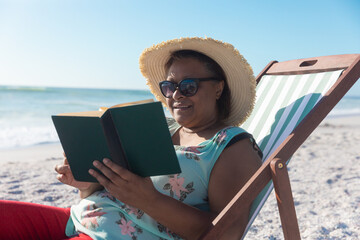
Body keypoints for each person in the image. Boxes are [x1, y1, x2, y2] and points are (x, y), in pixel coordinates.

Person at [0, 37, 262, 240]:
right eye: (170, 87)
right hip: (78, 219)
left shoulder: (231, 147)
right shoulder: (160, 127)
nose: (176, 96)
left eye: (189, 86)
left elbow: (226, 234)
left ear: (218, 88)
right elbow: (119, 194)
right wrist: (87, 184)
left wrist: (147, 199)